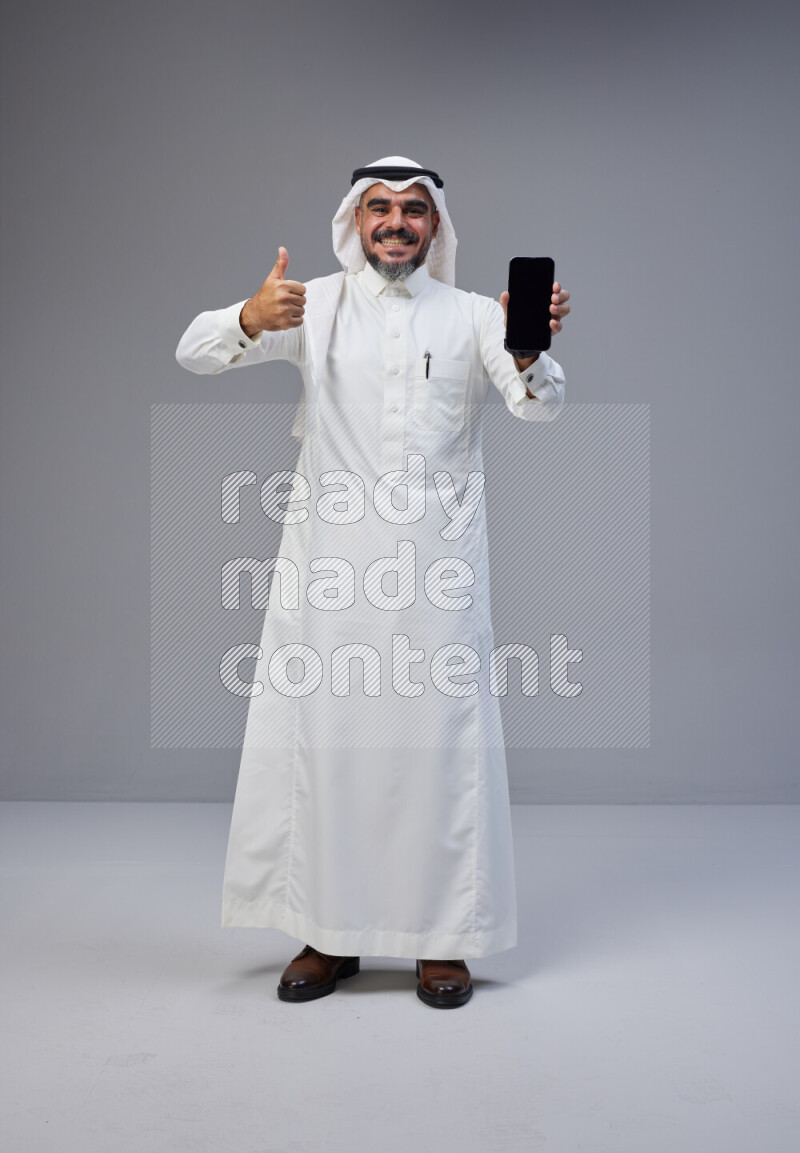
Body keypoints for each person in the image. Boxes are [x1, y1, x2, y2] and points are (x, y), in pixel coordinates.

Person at [176, 156, 570, 1009]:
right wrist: (247, 316)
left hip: (437, 573)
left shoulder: (472, 316)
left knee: (436, 752)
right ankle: (329, 932)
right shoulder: (310, 305)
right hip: (331, 574)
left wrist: (529, 347)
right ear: (356, 221)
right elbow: (193, 352)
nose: (396, 223)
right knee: (332, 748)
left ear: (436, 228)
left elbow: (538, 404)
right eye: (380, 209)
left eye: (414, 210)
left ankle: (441, 942)